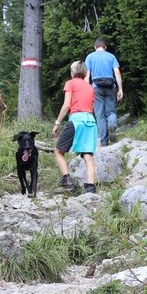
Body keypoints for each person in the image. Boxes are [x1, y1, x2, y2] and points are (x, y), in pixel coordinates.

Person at [51, 60, 98, 194]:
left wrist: (57, 123)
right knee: (88, 156)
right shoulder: (90, 87)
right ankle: (90, 187)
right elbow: (92, 107)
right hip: (90, 121)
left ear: (74, 71)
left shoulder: (70, 83)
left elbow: (67, 105)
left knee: (59, 151)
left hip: (76, 120)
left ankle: (67, 181)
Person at [84, 38, 123, 146]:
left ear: (95, 47)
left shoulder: (90, 57)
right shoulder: (111, 56)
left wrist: (87, 90)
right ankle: (112, 125)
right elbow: (117, 73)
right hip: (110, 87)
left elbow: (87, 76)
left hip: (96, 88)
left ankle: (104, 141)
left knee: (99, 114)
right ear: (105, 47)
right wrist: (120, 89)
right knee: (111, 111)